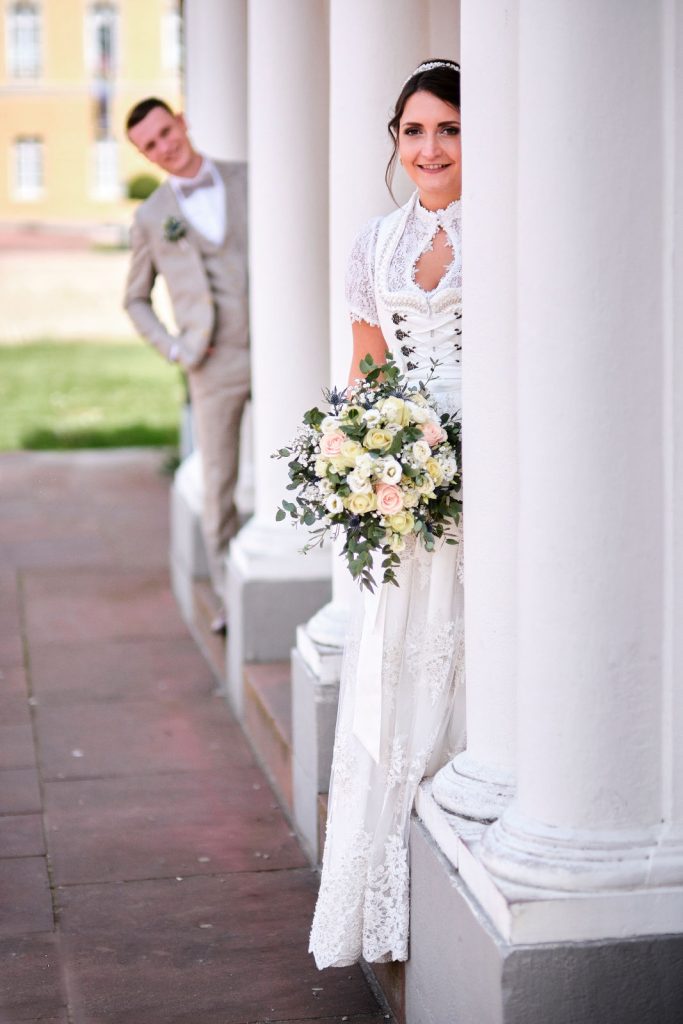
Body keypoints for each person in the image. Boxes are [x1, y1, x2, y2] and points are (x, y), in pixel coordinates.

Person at [309, 59, 465, 968]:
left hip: (496, 472)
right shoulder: (374, 244)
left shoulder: (506, 230)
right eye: (414, 131)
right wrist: (371, 457)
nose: (430, 148)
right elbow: (372, 373)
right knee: (400, 665)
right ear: (395, 142)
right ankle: (385, 894)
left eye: (448, 129)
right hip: (411, 484)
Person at [123, 98, 250, 632]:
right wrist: (176, 348)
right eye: (150, 145)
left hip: (281, 347)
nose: (164, 146)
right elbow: (134, 298)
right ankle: (226, 594)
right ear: (144, 154)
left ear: (182, 121)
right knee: (219, 479)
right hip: (212, 362)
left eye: (165, 132)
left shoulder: (249, 179)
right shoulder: (152, 217)